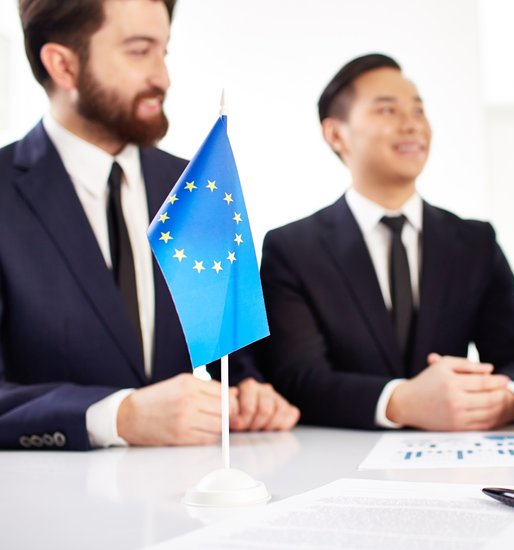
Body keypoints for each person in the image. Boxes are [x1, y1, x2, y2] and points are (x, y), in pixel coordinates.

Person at [0, 0, 299, 450]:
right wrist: (117, 415)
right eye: (140, 51)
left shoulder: (197, 186)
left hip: (188, 499)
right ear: (62, 64)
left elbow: (229, 359)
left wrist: (250, 391)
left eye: (164, 52)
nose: (163, 77)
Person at [250, 53, 514, 430]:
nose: (412, 125)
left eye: (419, 111)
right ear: (336, 134)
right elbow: (297, 378)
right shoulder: (292, 248)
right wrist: (400, 402)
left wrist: (502, 400)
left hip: (459, 459)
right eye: (387, 111)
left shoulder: (475, 242)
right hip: (337, 465)